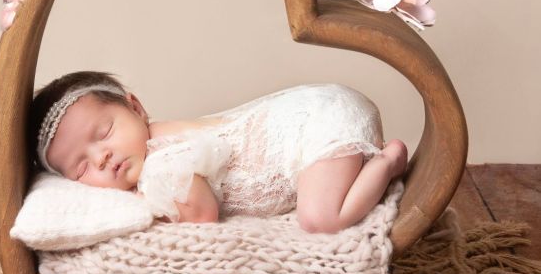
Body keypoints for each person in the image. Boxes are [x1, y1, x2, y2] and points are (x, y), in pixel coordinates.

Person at [27, 70, 408, 234]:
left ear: (136, 108)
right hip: (312, 125)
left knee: (319, 219)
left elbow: (202, 215)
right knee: (318, 208)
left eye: (105, 132)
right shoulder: (150, 157)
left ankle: (387, 162)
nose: (102, 157)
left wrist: (150, 207)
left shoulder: (162, 157)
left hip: (317, 120)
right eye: (81, 168)